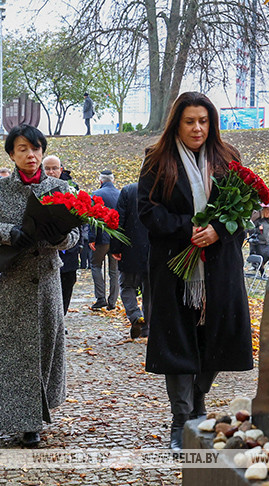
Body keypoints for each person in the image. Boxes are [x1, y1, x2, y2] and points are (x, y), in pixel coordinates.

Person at [137, 92, 253, 450]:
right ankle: (181, 420)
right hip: (176, 269)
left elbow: (243, 212)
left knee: (216, 340)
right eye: (190, 121)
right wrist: (188, 227)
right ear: (177, 122)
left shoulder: (228, 157)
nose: (197, 128)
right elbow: (147, 211)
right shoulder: (158, 159)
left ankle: (198, 400)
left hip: (220, 269)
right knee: (178, 343)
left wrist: (219, 229)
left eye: (203, 121)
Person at [0, 124, 79, 448]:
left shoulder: (62, 188)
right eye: (22, 149)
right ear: (12, 154)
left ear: (42, 151)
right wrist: (7, 231)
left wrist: (60, 236)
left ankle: (35, 418)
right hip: (9, 287)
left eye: (35, 149)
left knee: (44, 352)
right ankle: (21, 420)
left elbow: (74, 237)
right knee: (11, 356)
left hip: (46, 283)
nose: (30, 155)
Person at [111, 182, 150, 338]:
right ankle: (146, 327)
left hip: (130, 247)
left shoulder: (128, 191)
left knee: (127, 285)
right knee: (149, 290)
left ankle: (135, 315)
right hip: (153, 249)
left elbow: (118, 220)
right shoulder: (158, 189)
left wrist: (116, 247)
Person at [42, 155, 81, 315]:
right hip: (45, 251)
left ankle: (61, 317)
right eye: (47, 169)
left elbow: (80, 219)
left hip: (68, 249)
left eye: (54, 168)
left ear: (61, 169)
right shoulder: (36, 188)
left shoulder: (72, 189)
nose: (51, 172)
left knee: (67, 283)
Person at [88, 169, 120, 310]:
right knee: (114, 271)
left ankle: (100, 298)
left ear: (100, 181)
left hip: (101, 238)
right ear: (113, 180)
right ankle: (113, 301)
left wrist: (91, 238)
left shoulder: (95, 194)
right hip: (116, 237)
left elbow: (92, 218)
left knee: (96, 266)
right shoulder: (120, 194)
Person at [247, 206, 269, 275]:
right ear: (263, 212)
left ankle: (258, 267)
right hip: (259, 243)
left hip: (266, 243)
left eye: (268, 212)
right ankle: (262, 273)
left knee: (267, 256)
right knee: (260, 258)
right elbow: (251, 230)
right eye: (266, 211)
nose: (268, 213)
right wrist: (259, 229)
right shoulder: (258, 221)